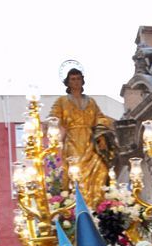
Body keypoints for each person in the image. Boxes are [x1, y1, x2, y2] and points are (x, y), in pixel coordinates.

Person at [49, 67, 118, 206]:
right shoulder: (62, 101)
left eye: (78, 78)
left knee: (101, 169)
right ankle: (79, 205)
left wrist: (102, 136)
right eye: (72, 79)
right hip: (73, 141)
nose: (76, 82)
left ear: (82, 81)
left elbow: (100, 118)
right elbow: (53, 118)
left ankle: (99, 204)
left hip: (91, 140)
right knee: (77, 172)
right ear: (67, 82)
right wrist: (55, 135)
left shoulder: (91, 102)